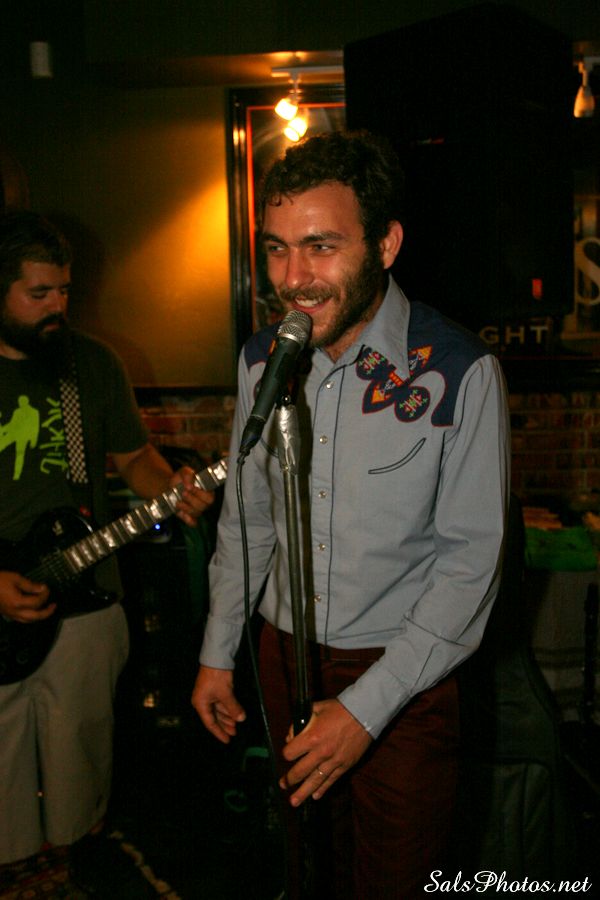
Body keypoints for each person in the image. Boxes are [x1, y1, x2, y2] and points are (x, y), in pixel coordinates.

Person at [192, 130, 510, 898]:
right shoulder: (262, 359)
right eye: (277, 249)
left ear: (386, 244)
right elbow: (247, 521)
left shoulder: (460, 370)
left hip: (403, 675)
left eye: (321, 247)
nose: (292, 278)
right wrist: (217, 651)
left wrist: (365, 710)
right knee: (306, 866)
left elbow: (470, 566)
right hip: (283, 656)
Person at [0, 210, 214, 896]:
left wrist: (172, 487)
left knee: (81, 760)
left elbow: (135, 458)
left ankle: (71, 871)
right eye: (38, 293)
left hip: (88, 596)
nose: (57, 305)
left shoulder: (90, 364)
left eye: (64, 290)